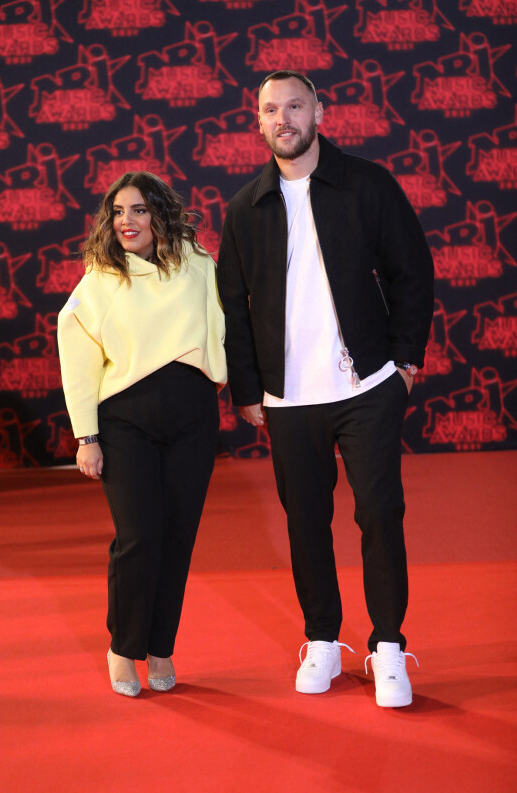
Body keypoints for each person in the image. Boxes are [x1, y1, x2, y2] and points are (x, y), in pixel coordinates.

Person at [217, 70, 434, 708]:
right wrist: (249, 390)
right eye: (269, 110)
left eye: (294, 106)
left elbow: (411, 271)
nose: (282, 118)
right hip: (288, 399)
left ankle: (388, 646)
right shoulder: (244, 208)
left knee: (380, 516)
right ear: (258, 122)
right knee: (306, 522)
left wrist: (404, 362)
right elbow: (232, 306)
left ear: (319, 111)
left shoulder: (367, 183)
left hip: (367, 386)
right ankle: (321, 641)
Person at [57, 171, 227, 698]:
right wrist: (87, 437)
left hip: (193, 417)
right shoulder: (100, 280)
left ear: (161, 214)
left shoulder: (199, 266)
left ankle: (161, 646)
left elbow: (225, 326)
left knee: (177, 540)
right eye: (117, 211)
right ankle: (123, 648)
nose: (126, 221)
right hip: (125, 422)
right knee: (138, 538)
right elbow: (79, 359)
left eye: (138, 209)